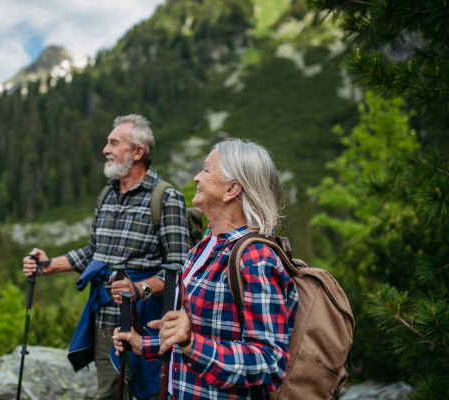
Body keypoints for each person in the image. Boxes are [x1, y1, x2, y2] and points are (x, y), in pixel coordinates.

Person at [114, 138, 299, 399]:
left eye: (206, 169)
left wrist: (191, 344)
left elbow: (269, 363)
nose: (196, 177)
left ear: (232, 189)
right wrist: (143, 345)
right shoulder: (203, 248)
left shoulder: (256, 259)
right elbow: (198, 333)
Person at [22, 114, 189, 400]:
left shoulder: (166, 198)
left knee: (146, 393)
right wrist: (48, 266)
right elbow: (93, 252)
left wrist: (139, 289)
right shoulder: (107, 195)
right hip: (103, 321)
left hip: (144, 324)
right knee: (108, 394)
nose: (105, 149)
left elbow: (180, 268)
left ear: (138, 152)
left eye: (114, 142)